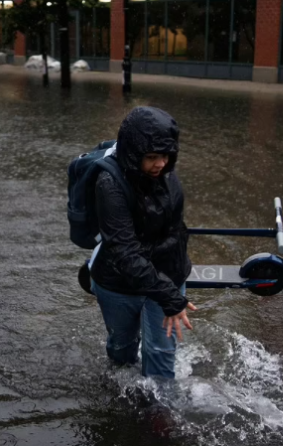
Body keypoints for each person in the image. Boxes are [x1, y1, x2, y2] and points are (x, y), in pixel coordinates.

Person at [90, 106, 196, 379]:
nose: (160, 164)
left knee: (161, 355)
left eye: (165, 156)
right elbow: (125, 253)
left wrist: (171, 290)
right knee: (121, 348)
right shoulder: (109, 185)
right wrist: (172, 295)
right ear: (133, 154)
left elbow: (176, 234)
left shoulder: (167, 176)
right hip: (118, 282)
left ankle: (159, 414)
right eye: (151, 157)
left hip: (165, 276)